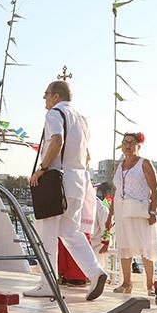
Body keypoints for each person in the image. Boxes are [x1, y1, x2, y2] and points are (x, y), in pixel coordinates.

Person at [27, 80, 108, 300]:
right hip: (78, 182)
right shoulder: (82, 119)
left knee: (47, 233)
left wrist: (41, 169)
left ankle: (47, 284)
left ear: (55, 96)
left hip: (57, 182)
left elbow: (57, 141)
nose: (44, 98)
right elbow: (87, 155)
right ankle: (95, 271)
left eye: (46, 94)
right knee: (71, 232)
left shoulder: (54, 114)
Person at [106, 132, 157, 294]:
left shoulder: (144, 163)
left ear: (139, 146)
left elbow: (155, 189)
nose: (128, 145)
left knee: (145, 247)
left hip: (140, 211)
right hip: (122, 211)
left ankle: (150, 285)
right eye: (125, 142)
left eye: (131, 142)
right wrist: (110, 215)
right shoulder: (120, 165)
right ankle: (126, 283)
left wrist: (153, 212)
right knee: (124, 247)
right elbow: (117, 192)